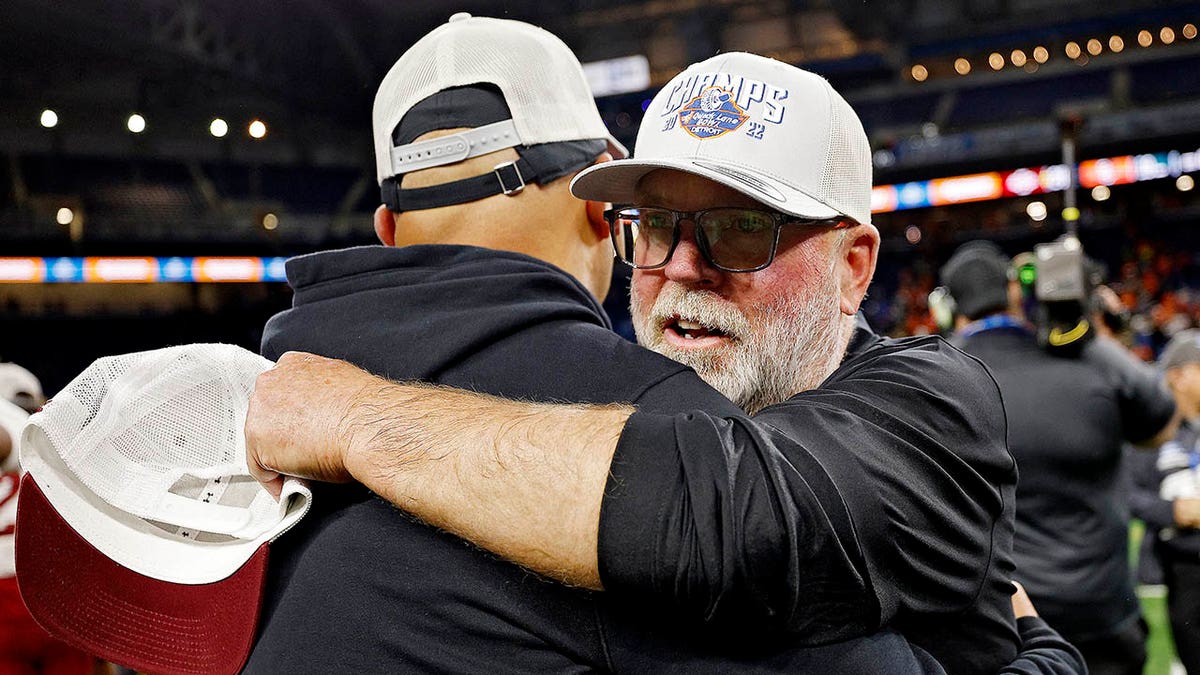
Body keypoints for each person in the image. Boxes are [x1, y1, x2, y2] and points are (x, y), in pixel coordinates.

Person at [246, 39, 1032, 674]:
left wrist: (354, 417)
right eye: (656, 225)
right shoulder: (607, 389)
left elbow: (728, 513)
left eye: (738, 228)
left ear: (852, 266)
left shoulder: (934, 401)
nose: (681, 268)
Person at [936, 240, 1178, 675]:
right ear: (1016, 293)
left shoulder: (936, 377)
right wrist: (1087, 327)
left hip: (1008, 618)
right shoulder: (1085, 361)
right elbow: (1162, 421)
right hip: (1102, 610)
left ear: (949, 308)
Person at [1156, 328, 1200, 674]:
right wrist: (1174, 511)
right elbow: (1126, 493)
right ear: (1179, 376)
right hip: (1179, 566)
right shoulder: (1156, 430)